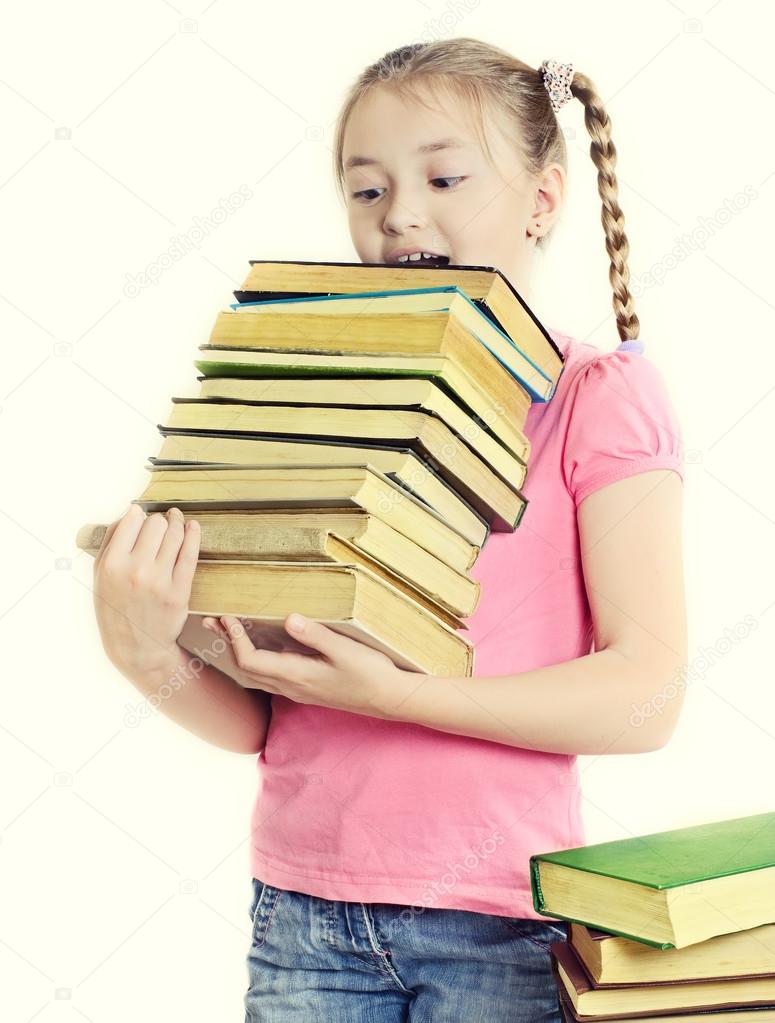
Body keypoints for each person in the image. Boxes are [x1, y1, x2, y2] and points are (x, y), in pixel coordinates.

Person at [92, 38, 687, 1023]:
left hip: (495, 919)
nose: (400, 213)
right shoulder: (315, 406)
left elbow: (646, 694)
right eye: (365, 191)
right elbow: (260, 722)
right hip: (302, 912)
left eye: (444, 176)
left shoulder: (593, 398)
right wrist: (145, 648)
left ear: (544, 199)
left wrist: (408, 696)